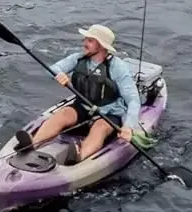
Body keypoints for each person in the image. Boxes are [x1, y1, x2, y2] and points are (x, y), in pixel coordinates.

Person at [13, 24, 142, 164]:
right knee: (64, 114)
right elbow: (52, 69)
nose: (84, 43)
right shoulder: (78, 58)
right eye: (85, 39)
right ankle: (33, 144)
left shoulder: (117, 67)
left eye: (90, 40)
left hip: (109, 113)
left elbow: (133, 99)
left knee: (100, 127)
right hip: (83, 106)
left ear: (101, 46)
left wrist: (128, 126)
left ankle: (79, 156)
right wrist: (60, 74)